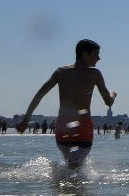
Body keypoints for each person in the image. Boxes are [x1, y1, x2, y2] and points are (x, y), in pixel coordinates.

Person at [17, 39, 116, 170]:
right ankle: (68, 186)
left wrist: (26, 119)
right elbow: (108, 102)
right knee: (75, 168)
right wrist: (112, 94)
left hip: (63, 126)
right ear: (85, 54)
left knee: (71, 164)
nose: (99, 58)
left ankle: (60, 183)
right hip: (82, 125)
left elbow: (40, 94)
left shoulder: (61, 72)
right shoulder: (94, 74)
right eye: (96, 54)